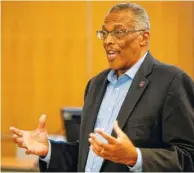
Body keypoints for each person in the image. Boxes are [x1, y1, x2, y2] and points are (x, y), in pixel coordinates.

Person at [10, 2, 194, 172]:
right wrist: (48, 149)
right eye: (104, 33)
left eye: (118, 32)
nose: (107, 41)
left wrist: (135, 158)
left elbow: (188, 157)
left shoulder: (172, 81)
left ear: (143, 38)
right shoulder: (96, 84)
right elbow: (88, 157)